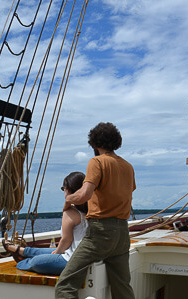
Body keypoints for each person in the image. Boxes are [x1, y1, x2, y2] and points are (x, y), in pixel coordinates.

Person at [55, 122, 136, 299]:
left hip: (100, 233)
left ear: (94, 144)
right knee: (122, 287)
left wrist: (68, 199)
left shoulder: (97, 162)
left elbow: (84, 195)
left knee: (64, 286)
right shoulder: (128, 166)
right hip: (122, 234)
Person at [3, 172, 88, 275]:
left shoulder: (70, 212)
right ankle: (20, 250)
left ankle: (23, 261)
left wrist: (56, 254)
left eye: (63, 188)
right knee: (46, 250)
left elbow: (66, 240)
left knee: (36, 262)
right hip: (78, 255)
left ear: (68, 190)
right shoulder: (90, 209)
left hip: (72, 260)